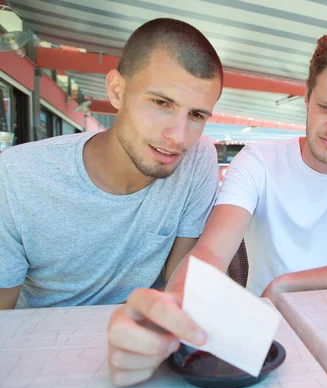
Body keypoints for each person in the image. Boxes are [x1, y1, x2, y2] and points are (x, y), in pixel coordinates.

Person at [107, 27, 327, 387]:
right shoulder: (259, 159)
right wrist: (169, 315)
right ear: (307, 97)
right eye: (326, 107)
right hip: (264, 334)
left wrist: (291, 283)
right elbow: (210, 251)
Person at [0, 18, 223, 309]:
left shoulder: (197, 157)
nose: (178, 138)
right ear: (117, 90)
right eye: (160, 103)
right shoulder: (17, 176)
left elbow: (178, 281)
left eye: (196, 115)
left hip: (145, 331)